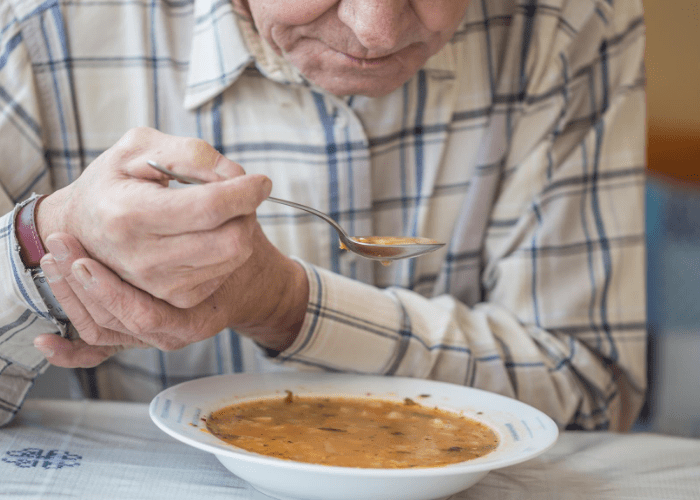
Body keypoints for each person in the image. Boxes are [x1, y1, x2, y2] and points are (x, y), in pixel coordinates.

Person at [0, 0, 647, 430]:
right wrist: (39, 238)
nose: (377, 30)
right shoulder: (35, 22)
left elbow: (592, 392)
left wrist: (287, 304)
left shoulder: (568, 19)